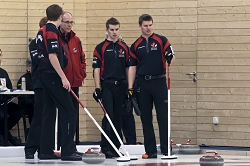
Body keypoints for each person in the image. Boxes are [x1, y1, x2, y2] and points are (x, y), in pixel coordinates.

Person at [35, 4, 81, 161]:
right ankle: (67, 151)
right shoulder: (52, 31)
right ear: (60, 17)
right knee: (69, 111)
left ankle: (45, 151)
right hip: (52, 76)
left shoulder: (41, 30)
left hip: (43, 75)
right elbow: (52, 56)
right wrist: (63, 77)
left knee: (48, 112)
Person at [128, 14, 175, 159]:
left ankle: (166, 150)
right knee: (146, 119)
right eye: (145, 26)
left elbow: (171, 56)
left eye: (150, 25)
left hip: (159, 82)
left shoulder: (162, 40)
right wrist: (130, 88)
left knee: (163, 117)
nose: (148, 28)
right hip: (143, 84)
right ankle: (150, 150)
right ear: (140, 26)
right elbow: (132, 67)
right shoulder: (135, 45)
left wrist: (169, 56)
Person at [92, 17, 129, 158]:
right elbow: (96, 69)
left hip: (121, 86)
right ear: (107, 30)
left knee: (118, 118)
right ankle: (105, 146)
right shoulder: (100, 47)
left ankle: (115, 148)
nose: (114, 32)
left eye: (117, 29)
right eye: (112, 30)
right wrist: (97, 88)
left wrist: (129, 87)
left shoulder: (124, 47)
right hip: (107, 86)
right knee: (109, 117)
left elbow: (128, 68)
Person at [58, 11, 86, 145]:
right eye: (66, 22)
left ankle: (71, 145)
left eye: (71, 22)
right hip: (61, 85)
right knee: (65, 116)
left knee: (73, 116)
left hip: (74, 83)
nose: (69, 25)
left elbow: (82, 58)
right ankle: (63, 145)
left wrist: (82, 73)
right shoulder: (56, 38)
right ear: (60, 21)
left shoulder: (76, 39)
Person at [0, 49, 23, 146]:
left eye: (0, 55)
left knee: (20, 110)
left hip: (5, 101)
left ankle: (4, 134)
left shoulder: (3, 72)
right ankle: (7, 137)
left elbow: (9, 89)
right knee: (1, 115)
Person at [17, 57, 34, 125]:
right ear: (28, 68)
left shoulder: (40, 78)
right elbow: (21, 95)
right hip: (28, 104)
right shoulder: (23, 79)